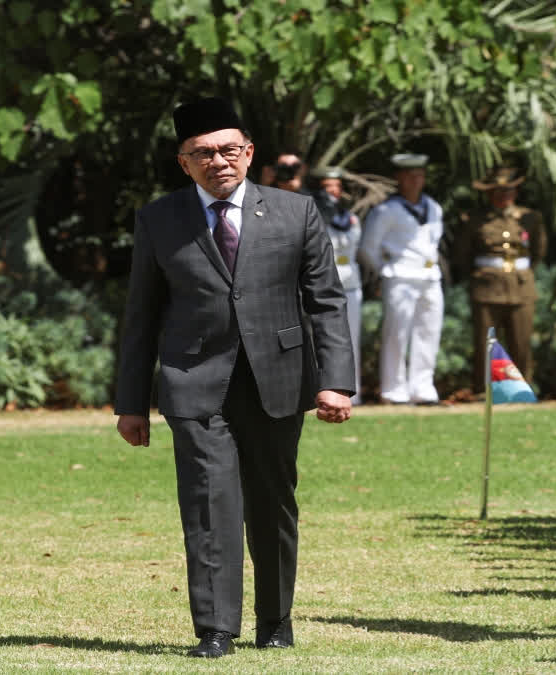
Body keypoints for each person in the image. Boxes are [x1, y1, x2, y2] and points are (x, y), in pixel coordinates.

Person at [114, 97, 356, 658]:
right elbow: (140, 316)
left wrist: (335, 381)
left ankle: (276, 619)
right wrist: (131, 402)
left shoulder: (296, 213)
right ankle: (215, 629)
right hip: (192, 378)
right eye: (202, 153)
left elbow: (326, 302)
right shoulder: (159, 219)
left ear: (249, 153)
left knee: (272, 502)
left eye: (227, 149)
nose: (217, 161)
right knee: (207, 502)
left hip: (279, 379)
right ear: (184, 162)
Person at [452, 166, 546, 393]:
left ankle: (520, 390)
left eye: (509, 191)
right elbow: (462, 255)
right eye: (498, 191)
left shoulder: (530, 218)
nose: (504, 196)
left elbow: (538, 251)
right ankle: (484, 390)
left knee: (521, 342)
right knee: (486, 343)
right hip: (487, 286)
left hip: (521, 286)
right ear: (489, 194)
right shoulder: (474, 219)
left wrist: (521, 273)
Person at [361, 153, 444, 405]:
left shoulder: (433, 206)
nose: (416, 180)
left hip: (430, 275)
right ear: (399, 178)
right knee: (396, 333)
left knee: (429, 331)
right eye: (410, 176)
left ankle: (423, 387)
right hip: (400, 276)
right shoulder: (387, 210)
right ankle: (394, 389)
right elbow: (367, 249)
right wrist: (387, 269)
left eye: (420, 175)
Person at [313, 166, 365, 405]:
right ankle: (319, 391)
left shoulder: (350, 216)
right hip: (323, 283)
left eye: (336, 186)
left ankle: (352, 392)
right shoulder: (314, 214)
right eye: (327, 186)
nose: (332, 191)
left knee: (351, 338)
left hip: (350, 281)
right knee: (319, 339)